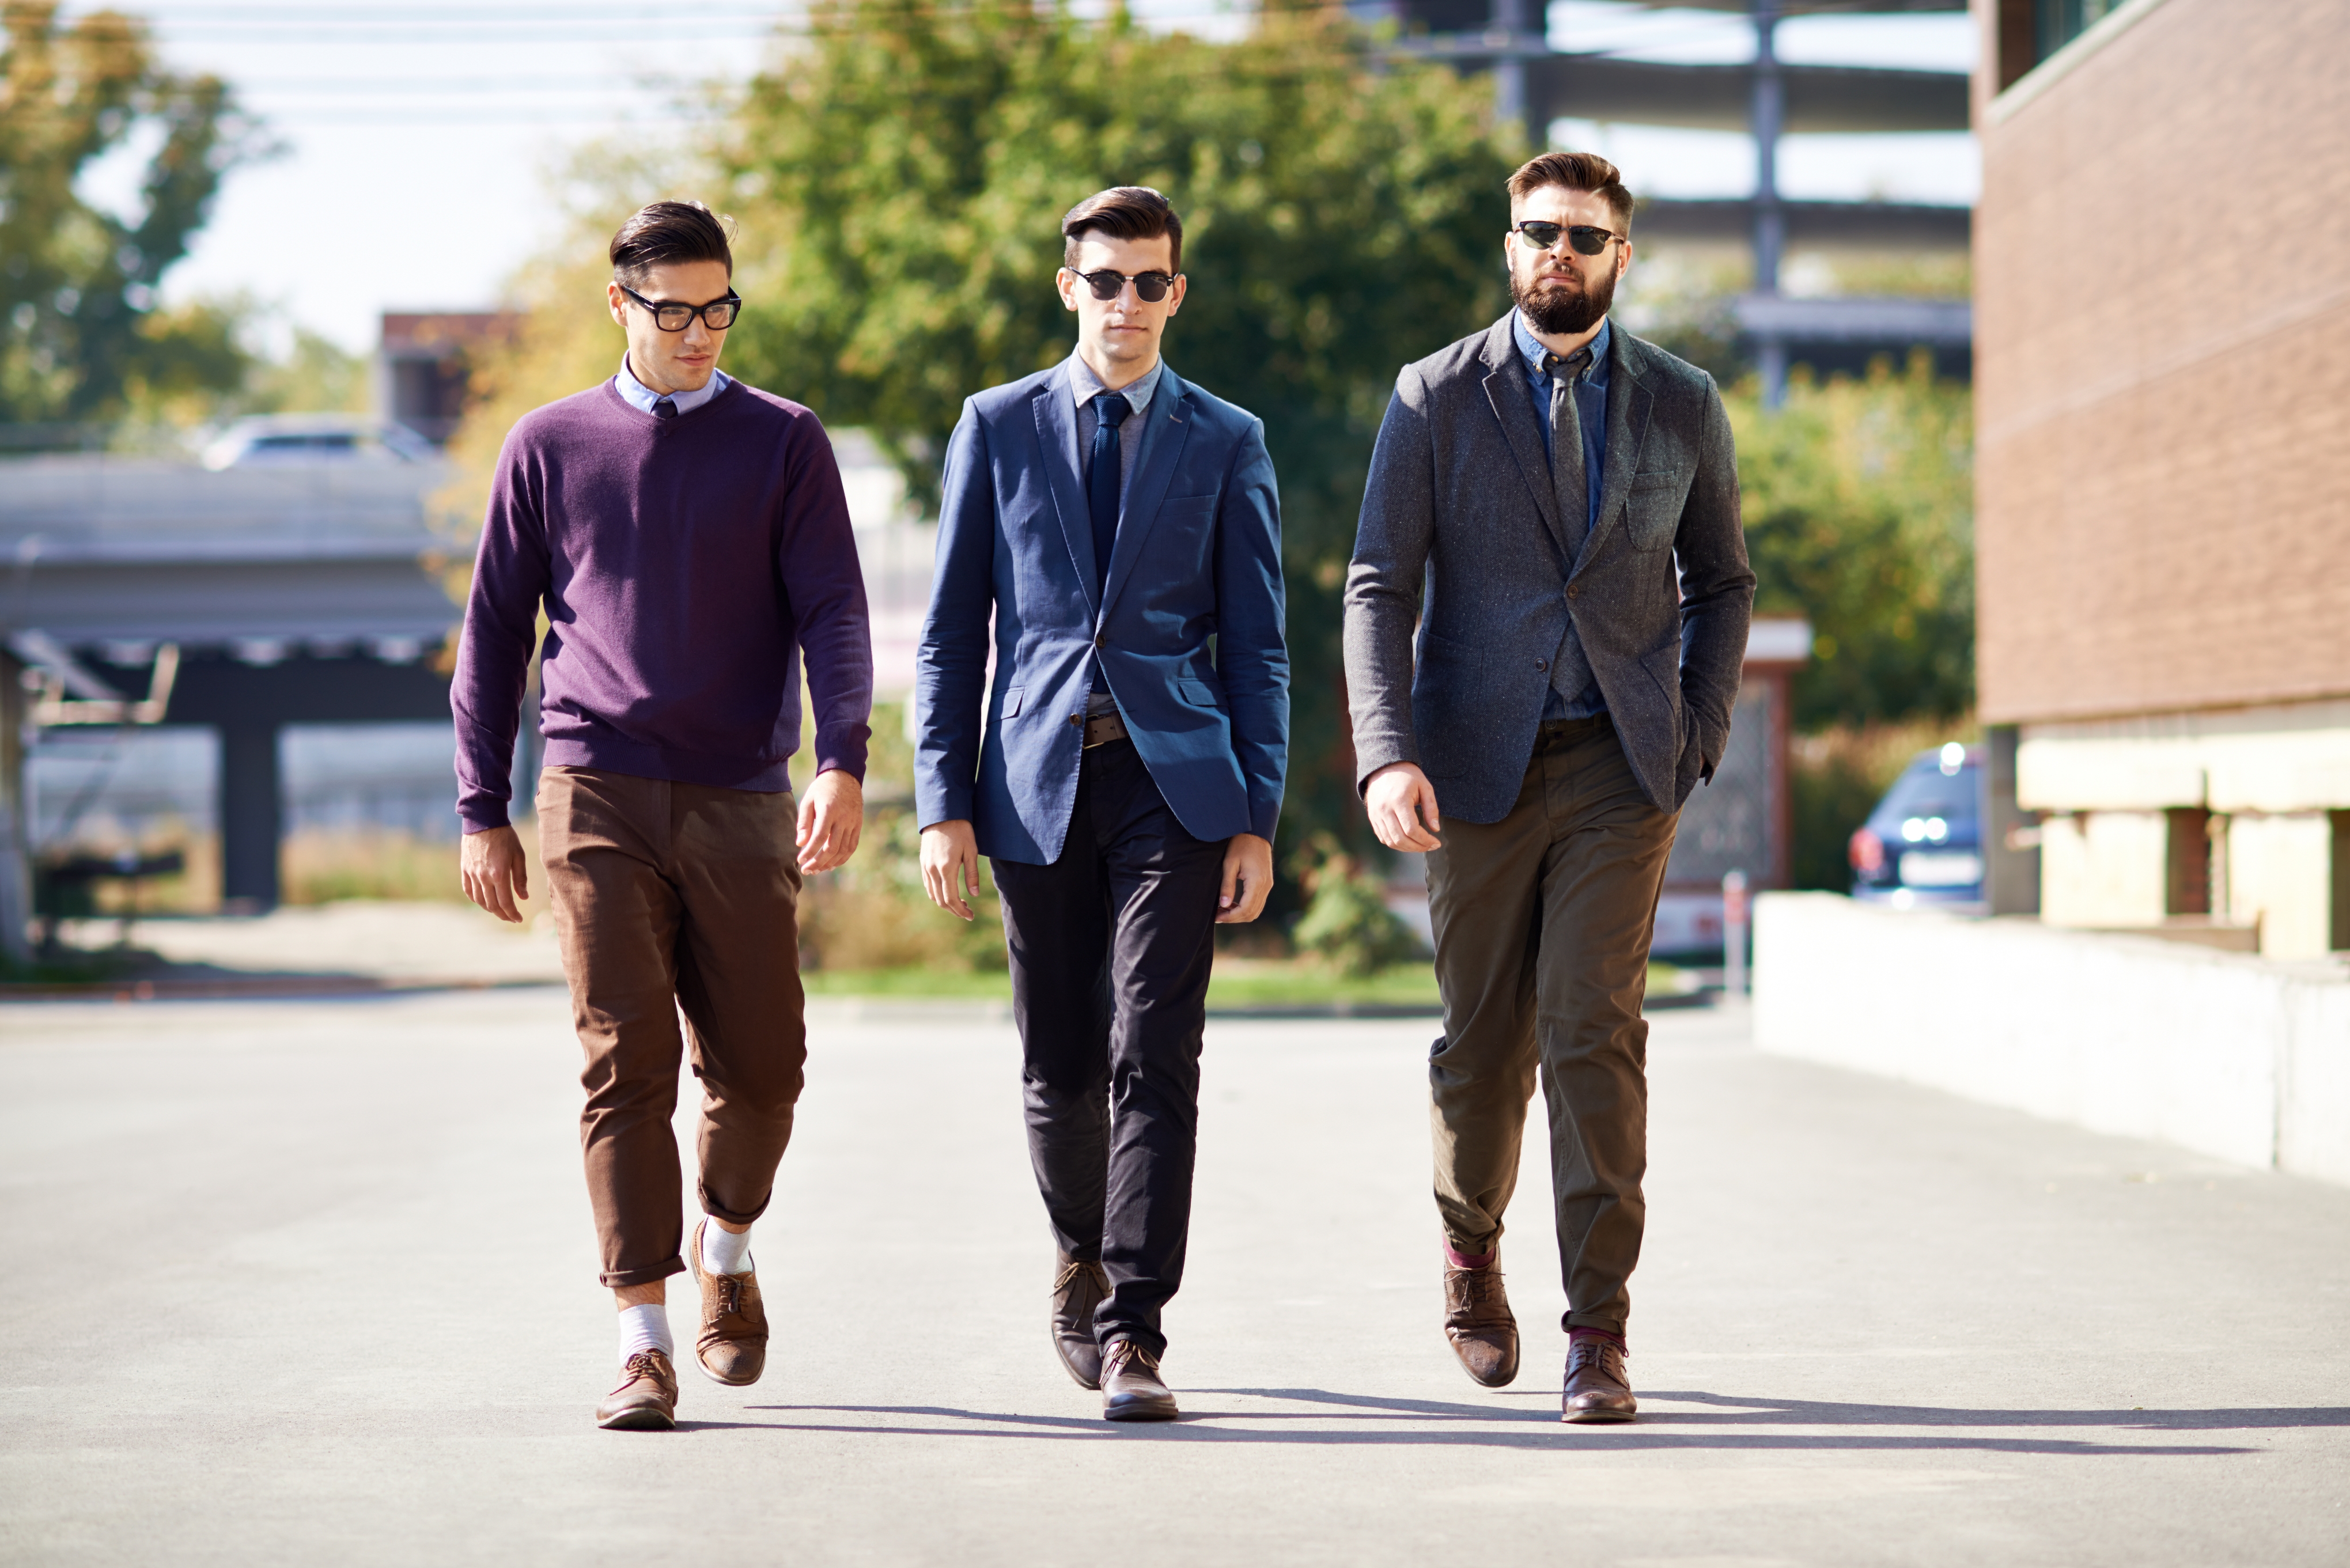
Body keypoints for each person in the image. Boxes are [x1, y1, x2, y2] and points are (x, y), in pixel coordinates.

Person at [1341, 152, 1754, 1423]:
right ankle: (1470, 1246)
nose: (1558, 252)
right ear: (1509, 250)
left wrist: (1696, 728)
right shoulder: (1435, 396)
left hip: (1624, 768)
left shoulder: (1683, 404)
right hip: (1474, 769)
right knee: (1483, 1047)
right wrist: (1384, 749)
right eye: (1538, 232)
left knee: (1593, 1030)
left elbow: (1722, 582)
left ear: (1622, 256)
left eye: (1584, 234)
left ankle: (1598, 1332)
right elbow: (1378, 586)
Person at [452, 199, 873, 1432]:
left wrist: (840, 758)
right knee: (621, 1061)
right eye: (674, 310)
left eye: (718, 308)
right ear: (622, 308)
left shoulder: (786, 443)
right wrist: (482, 803)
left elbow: (835, 614)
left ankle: (727, 1238)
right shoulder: (548, 444)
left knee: (765, 1066)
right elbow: (492, 636)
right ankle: (641, 1334)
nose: (699, 331)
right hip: (595, 785)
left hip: (744, 790)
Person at [913, 186, 1288, 1423]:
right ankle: (1077, 1246)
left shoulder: (1227, 437)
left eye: (1150, 281)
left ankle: (1134, 1325)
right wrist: (940, 800)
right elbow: (950, 632)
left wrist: (1256, 812)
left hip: (1173, 785)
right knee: (1058, 1060)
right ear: (1067, 286)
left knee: (1154, 1047)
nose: (1127, 302)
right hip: (1030, 785)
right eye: (1105, 279)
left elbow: (1260, 646)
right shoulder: (997, 424)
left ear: (1177, 292)